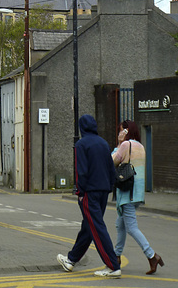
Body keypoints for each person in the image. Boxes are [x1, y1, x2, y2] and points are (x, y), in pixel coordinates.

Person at [57, 114, 121, 278]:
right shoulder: (103, 143)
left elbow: (81, 171)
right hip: (103, 191)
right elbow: (111, 168)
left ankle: (113, 265)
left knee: (97, 227)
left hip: (89, 192)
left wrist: (80, 191)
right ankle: (71, 260)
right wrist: (111, 186)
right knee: (89, 226)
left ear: (81, 127)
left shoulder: (81, 144)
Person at [112, 120, 164, 275]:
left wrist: (119, 143)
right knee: (120, 225)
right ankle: (116, 257)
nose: (120, 133)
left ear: (126, 131)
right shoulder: (140, 146)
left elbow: (112, 161)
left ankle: (152, 255)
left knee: (132, 228)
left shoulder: (125, 145)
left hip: (127, 192)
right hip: (137, 193)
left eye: (121, 130)